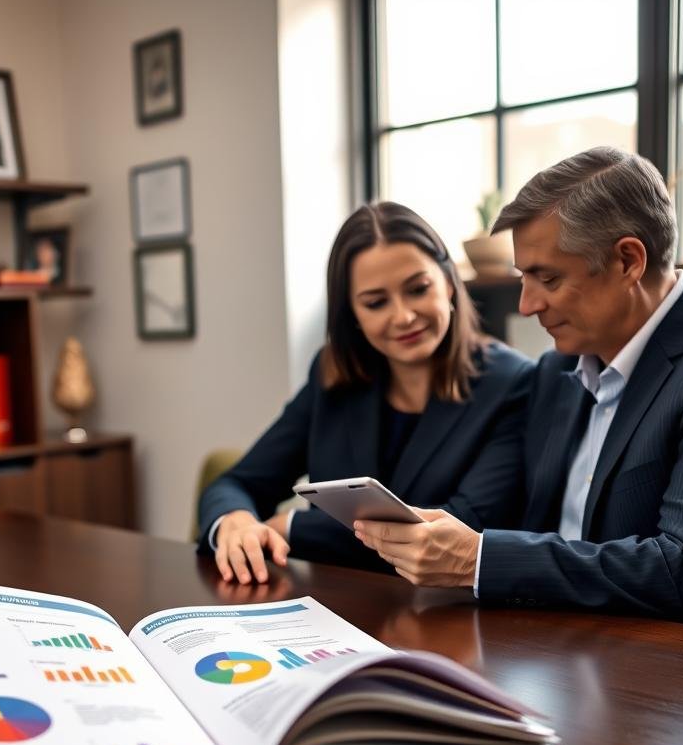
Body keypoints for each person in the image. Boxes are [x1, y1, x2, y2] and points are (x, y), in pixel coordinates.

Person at [354, 147, 683, 646]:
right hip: (574, 648)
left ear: (628, 260)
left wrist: (478, 558)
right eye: (524, 278)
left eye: (548, 278)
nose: (527, 304)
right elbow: (510, 520)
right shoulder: (556, 370)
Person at [198, 201, 534, 585]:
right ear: (352, 314)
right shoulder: (333, 377)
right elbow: (237, 483)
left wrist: (291, 526)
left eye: (418, 289)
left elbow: (457, 529)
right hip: (338, 610)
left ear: (448, 282)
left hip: (450, 620)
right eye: (376, 302)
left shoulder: (512, 382)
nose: (403, 316)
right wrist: (234, 520)